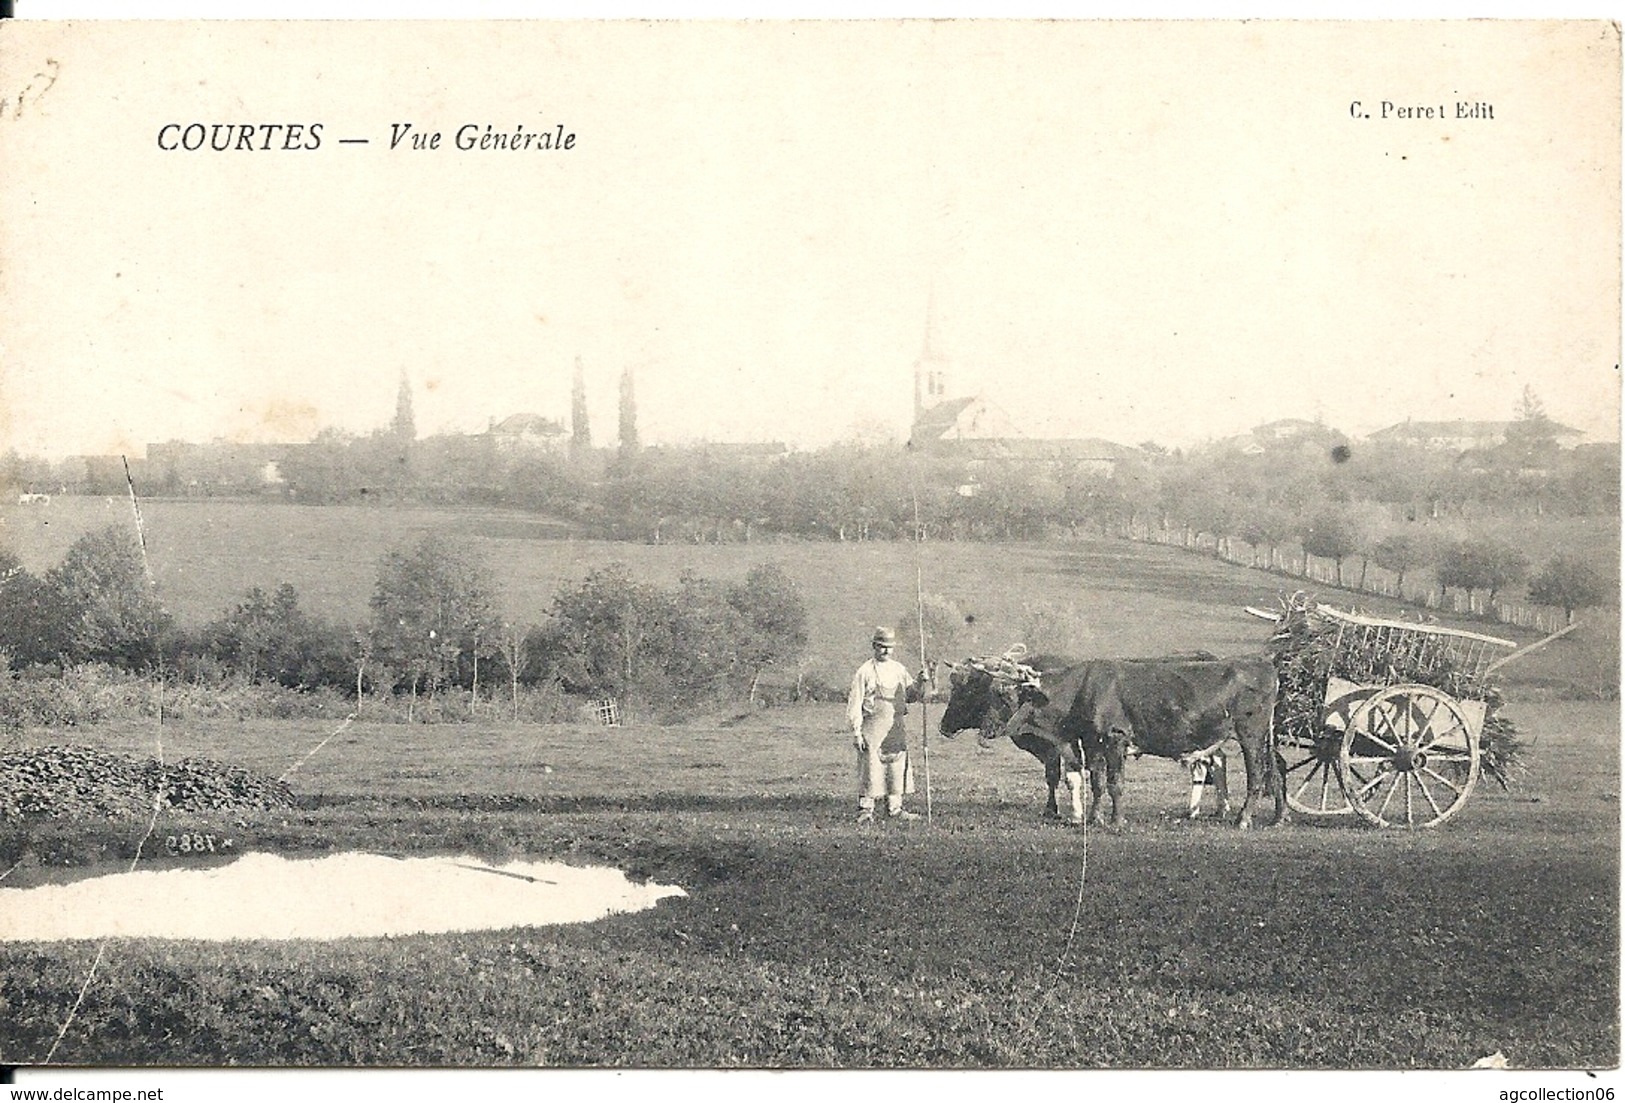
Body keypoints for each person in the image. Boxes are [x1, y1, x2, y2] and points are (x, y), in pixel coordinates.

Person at [846, 626, 930, 823]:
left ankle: (895, 808)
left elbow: (911, 696)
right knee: (871, 767)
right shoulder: (865, 671)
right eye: (882, 646)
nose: (885, 651)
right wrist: (857, 732)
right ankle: (866, 810)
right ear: (874, 646)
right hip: (873, 727)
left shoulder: (899, 669)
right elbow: (855, 703)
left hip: (895, 726)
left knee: (896, 766)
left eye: (889, 647)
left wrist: (920, 682)